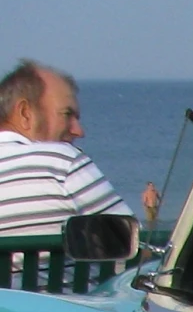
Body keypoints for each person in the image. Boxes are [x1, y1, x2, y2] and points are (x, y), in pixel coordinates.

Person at [0, 59, 126, 238]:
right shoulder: (61, 162)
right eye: (67, 115)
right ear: (25, 113)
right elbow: (132, 245)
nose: (79, 131)